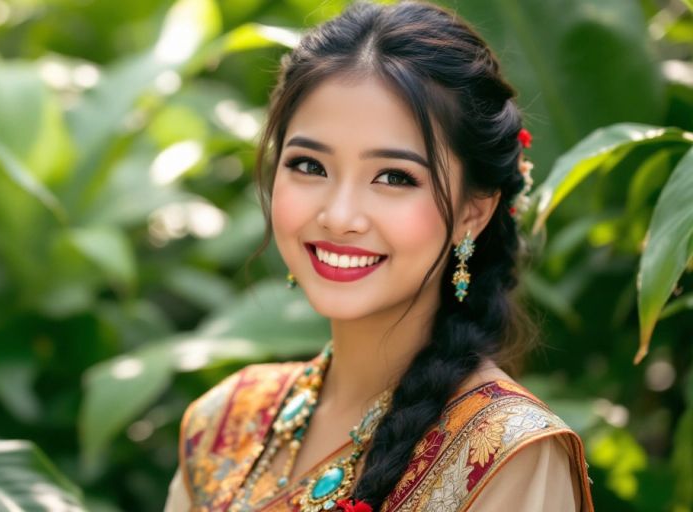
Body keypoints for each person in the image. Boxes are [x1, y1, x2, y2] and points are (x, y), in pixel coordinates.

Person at [163, 1, 596, 511]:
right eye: (309, 165)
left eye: (394, 177)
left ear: (472, 213)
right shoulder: (224, 422)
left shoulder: (506, 452)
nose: (339, 215)